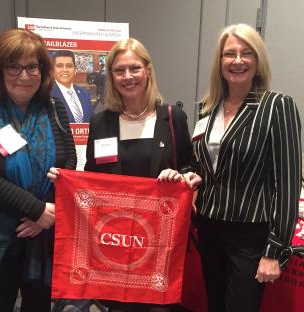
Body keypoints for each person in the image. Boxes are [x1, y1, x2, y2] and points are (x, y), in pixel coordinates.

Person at [48, 37, 201, 312]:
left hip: (158, 242)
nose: (127, 76)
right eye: (119, 71)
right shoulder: (101, 122)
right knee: (118, 305)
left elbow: (190, 167)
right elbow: (92, 177)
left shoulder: (172, 117)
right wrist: (66, 182)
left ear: (148, 70)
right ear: (111, 76)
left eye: (134, 68)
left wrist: (180, 176)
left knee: (158, 308)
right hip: (115, 239)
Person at [0, 28, 76, 312]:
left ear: (42, 70)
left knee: (38, 302)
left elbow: (69, 161)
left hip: (44, 228)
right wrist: (36, 209)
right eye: (13, 66)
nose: (24, 75)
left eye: (32, 66)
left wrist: (45, 213)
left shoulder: (53, 108)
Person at [193, 24, 302, 311]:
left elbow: (287, 183)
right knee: (215, 303)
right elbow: (208, 166)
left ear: (258, 61)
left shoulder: (277, 106)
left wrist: (274, 250)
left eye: (246, 53)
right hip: (208, 226)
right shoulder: (207, 107)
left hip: (250, 234)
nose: (237, 61)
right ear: (220, 62)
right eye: (229, 54)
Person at [51, 50, 94, 123]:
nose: (65, 70)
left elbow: (92, 120)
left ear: (75, 70)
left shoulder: (84, 94)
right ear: (52, 70)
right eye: (59, 66)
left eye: (69, 66)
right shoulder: (46, 95)